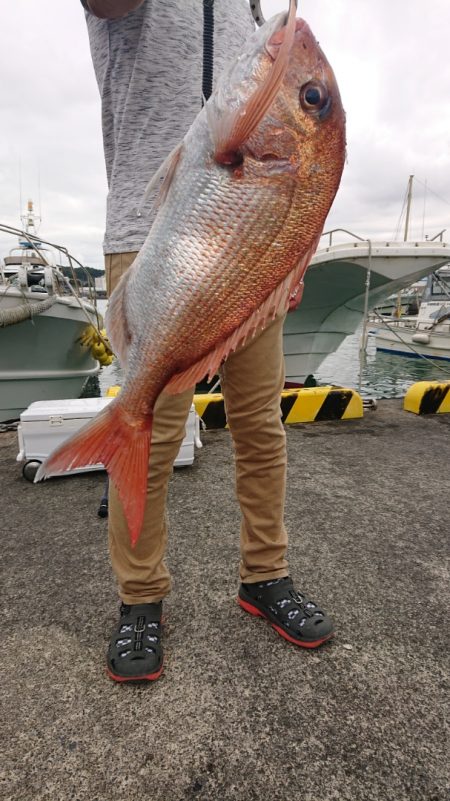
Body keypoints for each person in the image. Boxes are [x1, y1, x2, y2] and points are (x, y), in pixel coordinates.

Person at [81, 0, 334, 683]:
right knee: (149, 429)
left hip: (250, 239)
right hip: (151, 234)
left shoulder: (256, 9)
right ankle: (139, 597)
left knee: (260, 422)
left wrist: (292, 257)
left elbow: (304, 164)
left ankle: (266, 574)